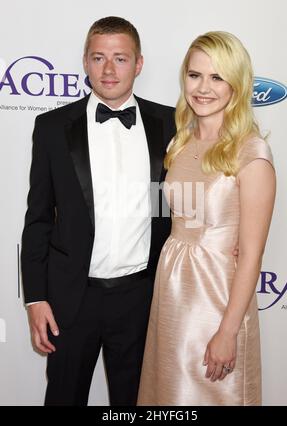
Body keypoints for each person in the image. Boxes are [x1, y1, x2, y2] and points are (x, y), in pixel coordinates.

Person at [21, 16, 175, 406]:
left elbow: (181, 208)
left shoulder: (171, 124)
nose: (109, 70)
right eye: (98, 58)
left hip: (142, 299)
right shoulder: (53, 127)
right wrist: (35, 298)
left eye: (120, 59)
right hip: (71, 301)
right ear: (85, 62)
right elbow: (38, 219)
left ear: (138, 64)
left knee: (136, 405)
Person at [137, 31, 276, 406]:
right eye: (195, 75)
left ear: (237, 84)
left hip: (216, 300)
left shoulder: (252, 153)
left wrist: (228, 331)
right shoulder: (179, 143)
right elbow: (168, 213)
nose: (203, 88)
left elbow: (250, 255)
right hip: (171, 293)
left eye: (217, 77)